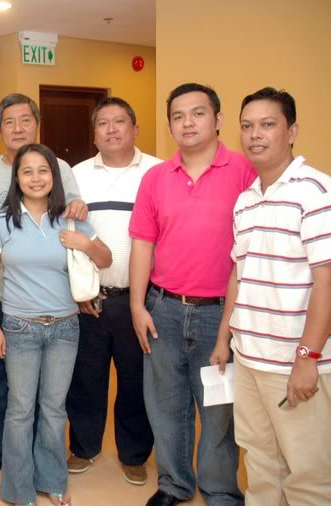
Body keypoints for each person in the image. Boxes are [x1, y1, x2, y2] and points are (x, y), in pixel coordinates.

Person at [129, 83, 255, 506]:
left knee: (218, 411)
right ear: (169, 126)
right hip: (162, 307)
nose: (188, 122)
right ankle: (173, 484)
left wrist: (229, 323)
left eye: (198, 113)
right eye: (179, 116)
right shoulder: (155, 178)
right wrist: (136, 305)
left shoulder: (244, 172)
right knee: (165, 406)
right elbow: (143, 244)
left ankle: (219, 490)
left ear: (218, 121)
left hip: (220, 313)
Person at [211, 87, 331, 504]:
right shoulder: (246, 201)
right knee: (260, 464)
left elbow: (326, 280)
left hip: (294, 361)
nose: (255, 135)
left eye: (267, 125)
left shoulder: (315, 192)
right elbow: (238, 275)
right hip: (248, 358)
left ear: (292, 130)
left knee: (308, 474)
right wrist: (225, 338)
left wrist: (308, 358)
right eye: (247, 126)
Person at [0, 143, 112, 506]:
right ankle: (18, 488)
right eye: (27, 171)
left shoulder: (71, 219)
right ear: (17, 178)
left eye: (43, 170)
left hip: (65, 328)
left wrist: (83, 242)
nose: (36, 178)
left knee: (54, 409)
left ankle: (53, 481)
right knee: (21, 409)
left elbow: (105, 258)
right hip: (19, 328)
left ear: (54, 176)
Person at [0, 93, 86, 479]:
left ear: (36, 125)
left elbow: (74, 215)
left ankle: (41, 463)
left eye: (25, 120)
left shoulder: (61, 168)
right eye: (9, 121)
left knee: (45, 393)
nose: (18, 128)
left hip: (48, 299)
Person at [64, 97, 157, 485]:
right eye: (103, 123)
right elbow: (64, 232)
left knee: (136, 381)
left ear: (135, 128)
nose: (112, 129)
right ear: (94, 132)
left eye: (120, 121)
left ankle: (134, 454)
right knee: (86, 379)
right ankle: (83, 448)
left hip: (139, 299)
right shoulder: (76, 174)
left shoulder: (157, 171)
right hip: (90, 297)